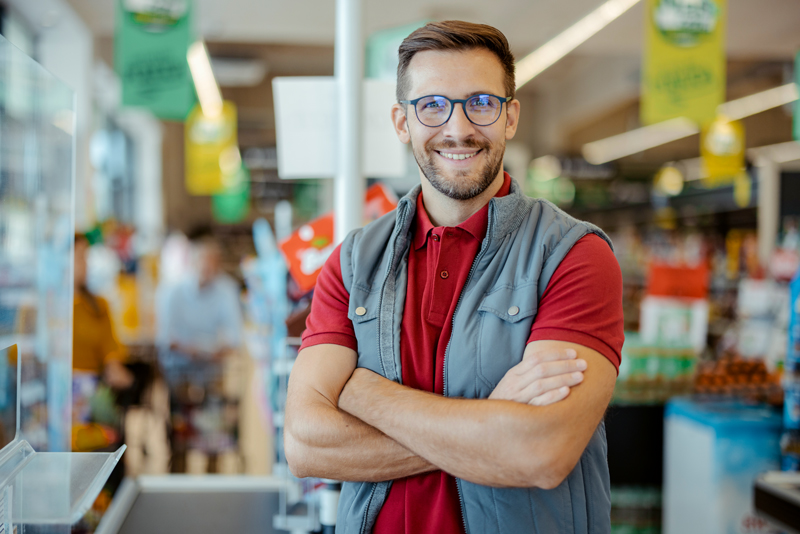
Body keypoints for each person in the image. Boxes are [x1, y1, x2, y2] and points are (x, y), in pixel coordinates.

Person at [285, 21, 624, 534]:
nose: (459, 127)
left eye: (481, 103)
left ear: (510, 116)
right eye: (433, 105)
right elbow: (306, 444)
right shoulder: (353, 264)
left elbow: (540, 452)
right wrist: (491, 421)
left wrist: (361, 394)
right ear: (402, 122)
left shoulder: (573, 255)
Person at [73, 233, 133, 390]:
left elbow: (110, 350)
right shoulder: (39, 308)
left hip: (90, 389)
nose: (86, 264)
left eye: (86, 257)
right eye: (80, 258)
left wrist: (114, 368)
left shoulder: (98, 305)